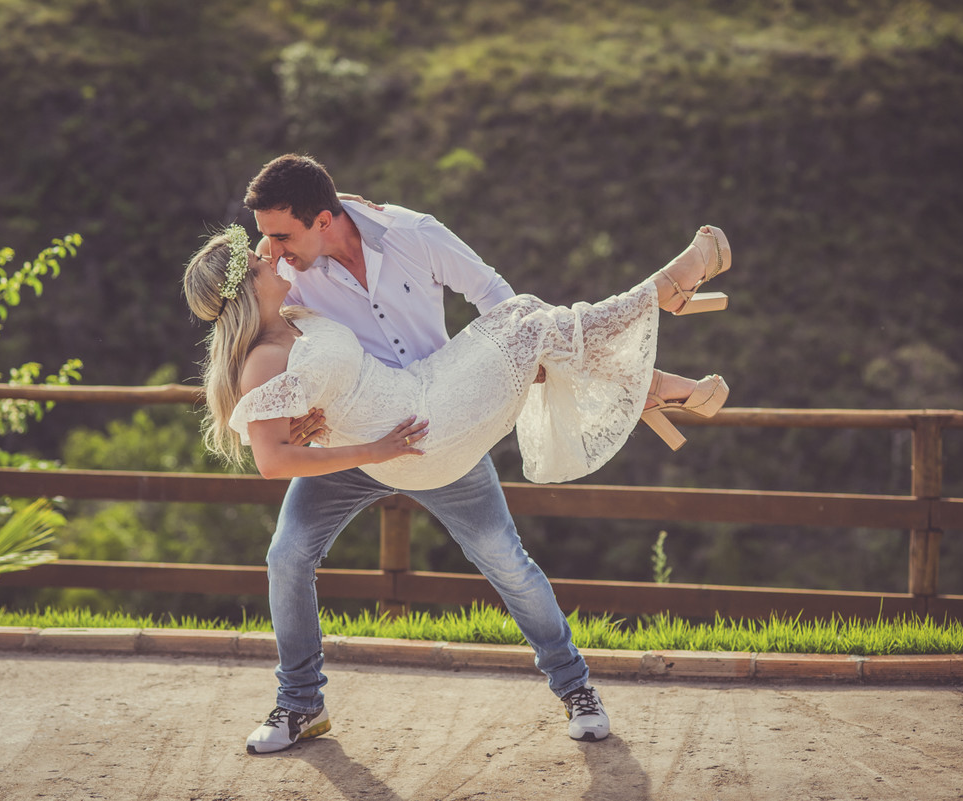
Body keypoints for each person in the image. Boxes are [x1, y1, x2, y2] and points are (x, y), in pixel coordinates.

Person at [182, 155, 731, 755]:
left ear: (323, 218)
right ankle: (300, 705)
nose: (273, 249)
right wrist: (303, 420)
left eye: (282, 235)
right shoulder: (285, 273)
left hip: (439, 422)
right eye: (265, 239)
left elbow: (493, 297)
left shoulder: (413, 234)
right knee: (287, 555)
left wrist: (512, 371)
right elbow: (268, 354)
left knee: (508, 564)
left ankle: (576, 688)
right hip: (353, 447)